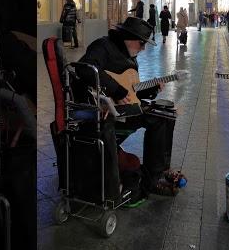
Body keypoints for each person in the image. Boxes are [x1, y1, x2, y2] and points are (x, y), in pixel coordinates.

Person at [75, 17, 182, 196]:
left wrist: (152, 89)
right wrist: (116, 90)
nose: (143, 48)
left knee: (166, 115)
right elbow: (84, 68)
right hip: (105, 113)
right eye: (142, 44)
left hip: (125, 110)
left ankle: (159, 171)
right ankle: (152, 181)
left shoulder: (131, 58)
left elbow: (132, 92)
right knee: (158, 118)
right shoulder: (103, 46)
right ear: (130, 38)